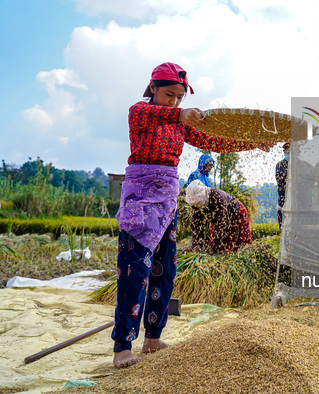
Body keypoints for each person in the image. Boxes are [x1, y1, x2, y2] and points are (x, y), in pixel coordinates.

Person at [113, 62, 267, 368]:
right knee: (134, 272)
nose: (174, 101)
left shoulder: (180, 124)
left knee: (164, 270)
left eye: (179, 98)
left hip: (167, 200)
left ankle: (153, 338)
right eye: (169, 94)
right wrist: (179, 113)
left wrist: (251, 144)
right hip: (141, 199)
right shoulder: (139, 112)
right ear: (153, 89)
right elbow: (154, 114)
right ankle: (122, 347)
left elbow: (214, 142)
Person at [186, 180, 252, 253]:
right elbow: (196, 225)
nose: (197, 206)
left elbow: (222, 224)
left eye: (198, 203)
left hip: (236, 212)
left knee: (238, 244)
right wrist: (197, 244)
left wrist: (213, 247)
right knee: (220, 247)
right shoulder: (196, 206)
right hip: (218, 219)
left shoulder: (219, 199)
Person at [187, 154, 215, 250]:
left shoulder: (207, 178)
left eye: (212, 165)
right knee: (197, 225)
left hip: (206, 207)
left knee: (206, 227)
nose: (211, 167)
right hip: (197, 206)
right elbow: (191, 191)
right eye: (210, 165)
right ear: (203, 164)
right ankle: (196, 246)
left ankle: (206, 246)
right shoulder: (195, 175)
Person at [275, 142, 289, 229]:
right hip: (283, 198)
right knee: (283, 225)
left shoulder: (300, 165)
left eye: (289, 150)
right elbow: (279, 180)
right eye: (286, 150)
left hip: (298, 199)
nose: (287, 152)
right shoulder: (280, 165)